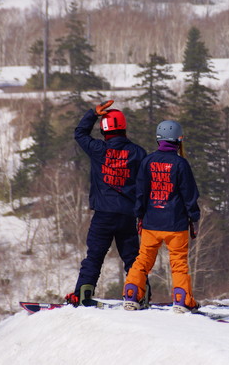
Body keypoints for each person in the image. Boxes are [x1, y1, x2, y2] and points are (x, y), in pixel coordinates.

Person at [66, 100, 147, 306]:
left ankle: (83, 294)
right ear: (124, 127)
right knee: (133, 260)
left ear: (103, 129)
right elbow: (145, 184)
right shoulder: (138, 153)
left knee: (94, 257)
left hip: (103, 215)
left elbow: (80, 134)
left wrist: (93, 113)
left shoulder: (98, 149)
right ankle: (140, 295)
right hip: (128, 215)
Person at [123, 120, 201, 312]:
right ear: (178, 140)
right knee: (178, 263)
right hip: (176, 224)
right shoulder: (181, 164)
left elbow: (140, 192)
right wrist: (194, 217)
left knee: (143, 259)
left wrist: (139, 215)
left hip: (151, 221)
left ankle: (132, 294)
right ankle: (182, 300)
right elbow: (189, 195)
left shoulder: (147, 161)